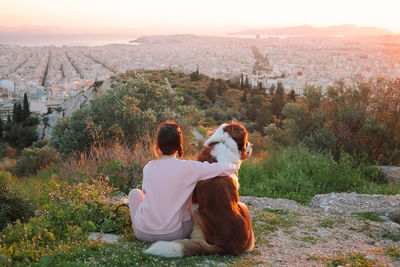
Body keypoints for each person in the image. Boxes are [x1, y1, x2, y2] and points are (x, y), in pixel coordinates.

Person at [128, 121, 238, 242]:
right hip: (174, 234)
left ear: (158, 145)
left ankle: (145, 223)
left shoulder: (148, 167)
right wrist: (234, 164)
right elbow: (222, 168)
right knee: (188, 205)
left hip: (143, 233)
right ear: (179, 145)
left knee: (135, 193)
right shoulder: (189, 168)